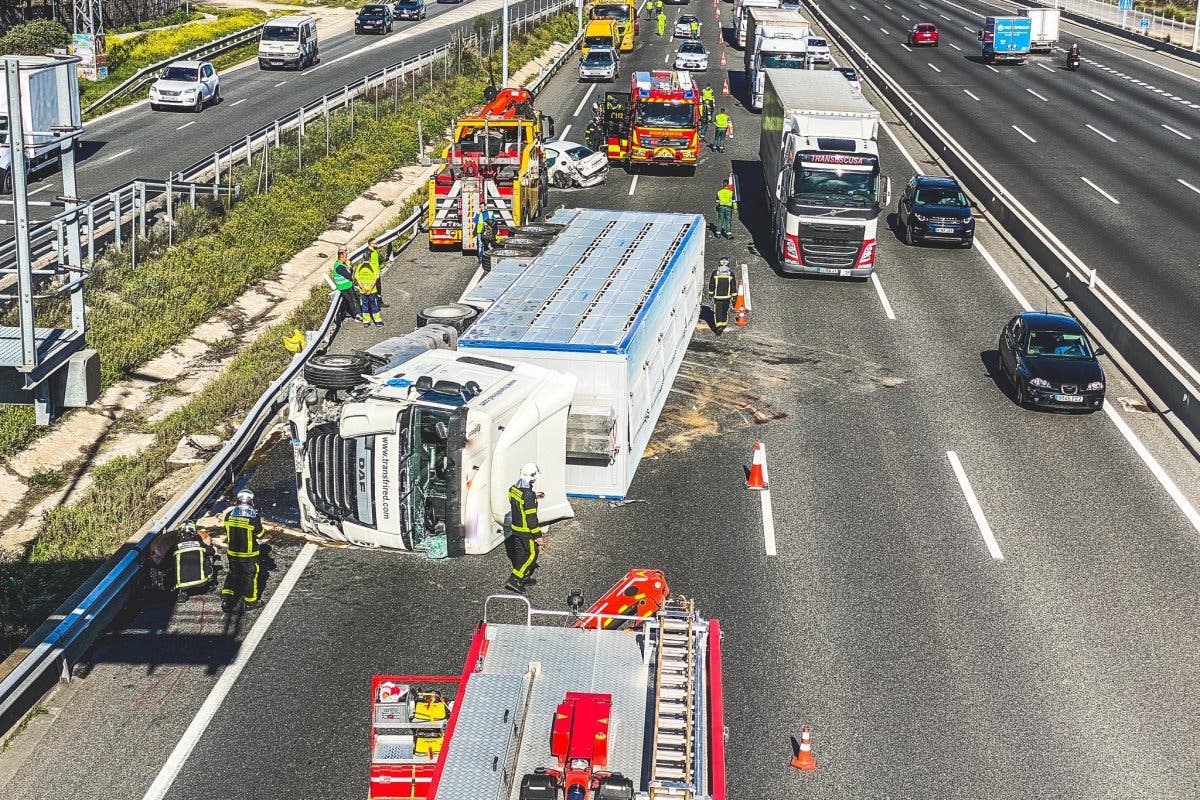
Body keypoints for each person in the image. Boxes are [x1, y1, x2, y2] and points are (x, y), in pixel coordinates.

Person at [503, 463, 544, 594]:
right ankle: (514, 579)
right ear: (532, 477)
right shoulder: (527, 495)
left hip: (516, 528)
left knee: (521, 553)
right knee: (532, 555)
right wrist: (538, 536)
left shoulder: (513, 489)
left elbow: (518, 499)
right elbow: (531, 519)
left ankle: (523, 578)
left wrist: (533, 495)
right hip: (527, 531)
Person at [221, 490, 263, 613]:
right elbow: (260, 534)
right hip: (250, 554)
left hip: (233, 552)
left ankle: (227, 601)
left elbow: (226, 530)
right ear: (251, 501)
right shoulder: (253, 517)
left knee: (233, 574)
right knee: (250, 577)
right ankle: (251, 602)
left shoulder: (229, 515)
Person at [707, 258, 735, 333]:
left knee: (718, 312)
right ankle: (724, 324)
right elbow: (733, 286)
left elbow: (711, 284)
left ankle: (719, 326)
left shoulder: (715, 273)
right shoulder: (730, 274)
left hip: (718, 297)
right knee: (725, 311)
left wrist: (710, 294)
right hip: (727, 297)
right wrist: (734, 296)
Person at [356, 252, 384, 327]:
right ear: (370, 258)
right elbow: (375, 279)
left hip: (363, 291)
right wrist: (370, 289)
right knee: (374, 305)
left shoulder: (359, 267)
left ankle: (366, 321)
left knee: (365, 306)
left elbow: (357, 279)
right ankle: (377, 321)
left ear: (363, 258)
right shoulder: (373, 266)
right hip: (372, 291)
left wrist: (363, 288)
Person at [331, 247, 359, 321]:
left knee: (353, 299)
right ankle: (356, 314)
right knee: (352, 300)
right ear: (341, 257)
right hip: (345, 287)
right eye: (345, 257)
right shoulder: (339, 267)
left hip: (347, 285)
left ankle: (356, 313)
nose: (346, 258)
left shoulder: (341, 264)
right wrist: (350, 269)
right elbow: (349, 275)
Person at [368, 239, 385, 304]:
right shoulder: (368, 253)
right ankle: (376, 302)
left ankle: (379, 301)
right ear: (370, 244)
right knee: (374, 288)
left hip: (377, 273)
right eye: (375, 243)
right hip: (372, 274)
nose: (377, 245)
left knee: (378, 287)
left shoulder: (374, 251)